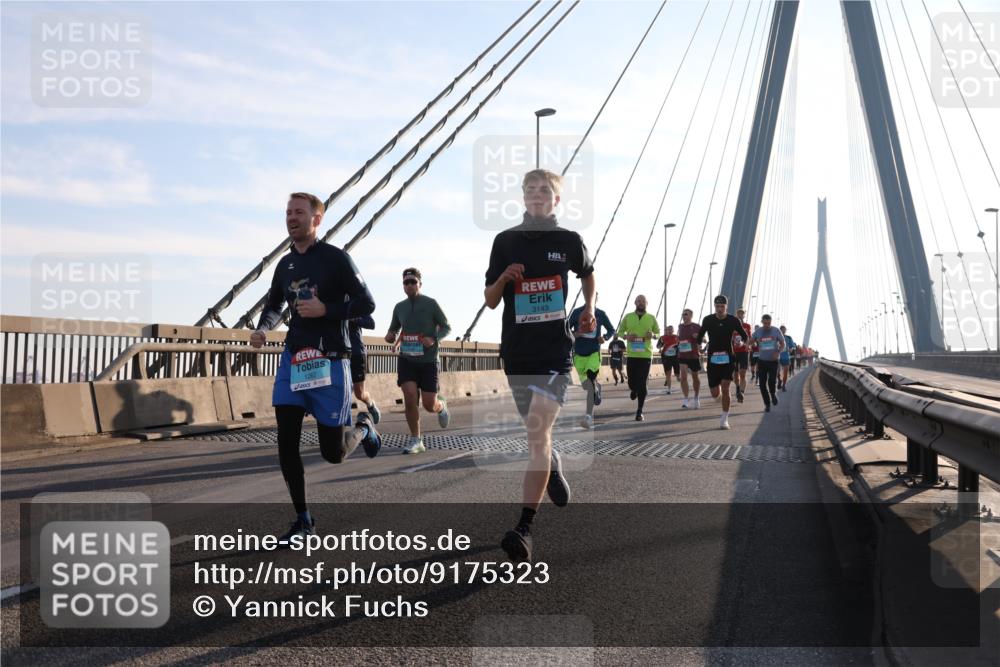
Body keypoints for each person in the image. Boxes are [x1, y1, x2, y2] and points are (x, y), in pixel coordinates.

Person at [251, 192, 381, 544]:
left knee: (333, 453)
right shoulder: (284, 265)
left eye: (299, 212)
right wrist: (264, 328)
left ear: (317, 219)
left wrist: (327, 311)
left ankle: (364, 426)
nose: (292, 218)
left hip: (330, 359)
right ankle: (303, 519)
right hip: (294, 358)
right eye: (288, 212)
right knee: (286, 441)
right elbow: (276, 304)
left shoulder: (337, 259)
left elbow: (367, 303)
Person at [484, 168, 594, 563]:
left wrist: (589, 308)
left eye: (544, 190)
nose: (536, 194)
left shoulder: (568, 241)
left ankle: (525, 528)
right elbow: (491, 298)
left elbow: (588, 273)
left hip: (554, 353)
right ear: (523, 197)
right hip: (517, 352)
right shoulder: (505, 241)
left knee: (538, 429)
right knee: (538, 439)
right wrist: (505, 279)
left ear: (555, 200)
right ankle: (553, 459)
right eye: (530, 189)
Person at [385, 268, 451, 454]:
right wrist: (390, 336)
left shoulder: (431, 304)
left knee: (429, 405)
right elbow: (394, 329)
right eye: (406, 282)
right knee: (410, 397)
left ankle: (441, 406)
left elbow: (446, 327)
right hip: (407, 359)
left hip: (429, 360)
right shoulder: (399, 307)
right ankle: (416, 440)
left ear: (420, 283)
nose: (409, 285)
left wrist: (434, 339)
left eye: (413, 281)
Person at [695, 295, 748, 430]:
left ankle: (724, 419)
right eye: (717, 306)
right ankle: (721, 400)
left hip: (728, 358)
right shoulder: (708, 320)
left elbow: (745, 336)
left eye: (722, 307)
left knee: (725, 388)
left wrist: (741, 343)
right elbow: (700, 336)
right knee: (714, 392)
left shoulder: (733, 320)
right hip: (712, 359)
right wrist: (699, 346)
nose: (719, 309)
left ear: (726, 307)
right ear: (714, 306)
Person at [569, 295, 616, 430]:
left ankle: (588, 417)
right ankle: (597, 387)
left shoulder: (600, 314)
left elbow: (611, 330)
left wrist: (605, 337)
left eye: (593, 296)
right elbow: (566, 329)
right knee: (587, 387)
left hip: (594, 353)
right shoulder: (577, 313)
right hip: (579, 354)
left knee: (590, 380)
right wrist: (574, 334)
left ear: (596, 298)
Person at [617, 294, 660, 421]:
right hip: (632, 354)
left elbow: (658, 333)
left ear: (647, 303)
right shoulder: (628, 317)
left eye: (643, 301)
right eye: (638, 300)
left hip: (646, 355)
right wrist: (626, 336)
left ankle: (639, 411)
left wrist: (653, 335)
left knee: (642, 383)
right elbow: (620, 331)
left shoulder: (651, 318)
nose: (641, 302)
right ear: (635, 303)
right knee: (631, 382)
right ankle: (633, 390)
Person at [348, 315, 381, 424]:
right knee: (342, 389)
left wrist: (353, 318)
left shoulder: (355, 302)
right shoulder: (329, 303)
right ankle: (344, 420)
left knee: (359, 393)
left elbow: (371, 324)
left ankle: (370, 404)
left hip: (356, 353)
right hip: (337, 353)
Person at [751, 314, 786, 412]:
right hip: (762, 361)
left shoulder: (776, 331)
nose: (767, 325)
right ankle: (767, 404)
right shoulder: (758, 332)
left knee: (771, 382)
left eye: (769, 323)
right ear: (762, 322)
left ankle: (773, 394)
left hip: (773, 361)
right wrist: (748, 344)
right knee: (762, 385)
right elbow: (751, 340)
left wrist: (778, 352)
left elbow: (783, 344)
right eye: (765, 323)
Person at [676, 308, 702, 409]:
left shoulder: (696, 326)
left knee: (695, 377)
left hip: (693, 355)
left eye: (686, 314)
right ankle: (686, 399)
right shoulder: (680, 326)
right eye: (683, 314)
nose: (683, 316)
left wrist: (698, 336)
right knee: (683, 377)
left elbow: (703, 339)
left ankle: (696, 396)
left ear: (691, 315)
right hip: (682, 355)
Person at [731, 308, 753, 404]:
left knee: (742, 373)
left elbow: (749, 338)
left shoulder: (747, 326)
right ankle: (737, 388)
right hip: (734, 352)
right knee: (736, 376)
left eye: (742, 314)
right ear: (736, 315)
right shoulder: (731, 326)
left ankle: (742, 393)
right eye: (739, 313)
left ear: (744, 315)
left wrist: (746, 344)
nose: (740, 315)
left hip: (744, 351)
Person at [656, 325, 680, 394]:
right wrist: (661, 344)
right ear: (666, 331)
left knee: (677, 375)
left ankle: (679, 378)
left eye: (670, 329)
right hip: (666, 357)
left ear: (673, 330)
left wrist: (677, 347)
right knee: (668, 374)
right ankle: (669, 390)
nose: (669, 331)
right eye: (667, 330)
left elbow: (681, 345)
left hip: (675, 358)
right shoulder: (662, 337)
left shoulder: (677, 337)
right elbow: (658, 346)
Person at [778, 325, 796, 391]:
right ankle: (779, 380)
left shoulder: (789, 338)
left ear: (785, 331)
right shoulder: (776, 337)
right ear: (779, 330)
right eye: (782, 330)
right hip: (777, 357)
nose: (783, 331)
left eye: (784, 330)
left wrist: (791, 349)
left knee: (785, 372)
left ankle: (784, 385)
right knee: (777, 372)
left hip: (786, 357)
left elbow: (793, 346)